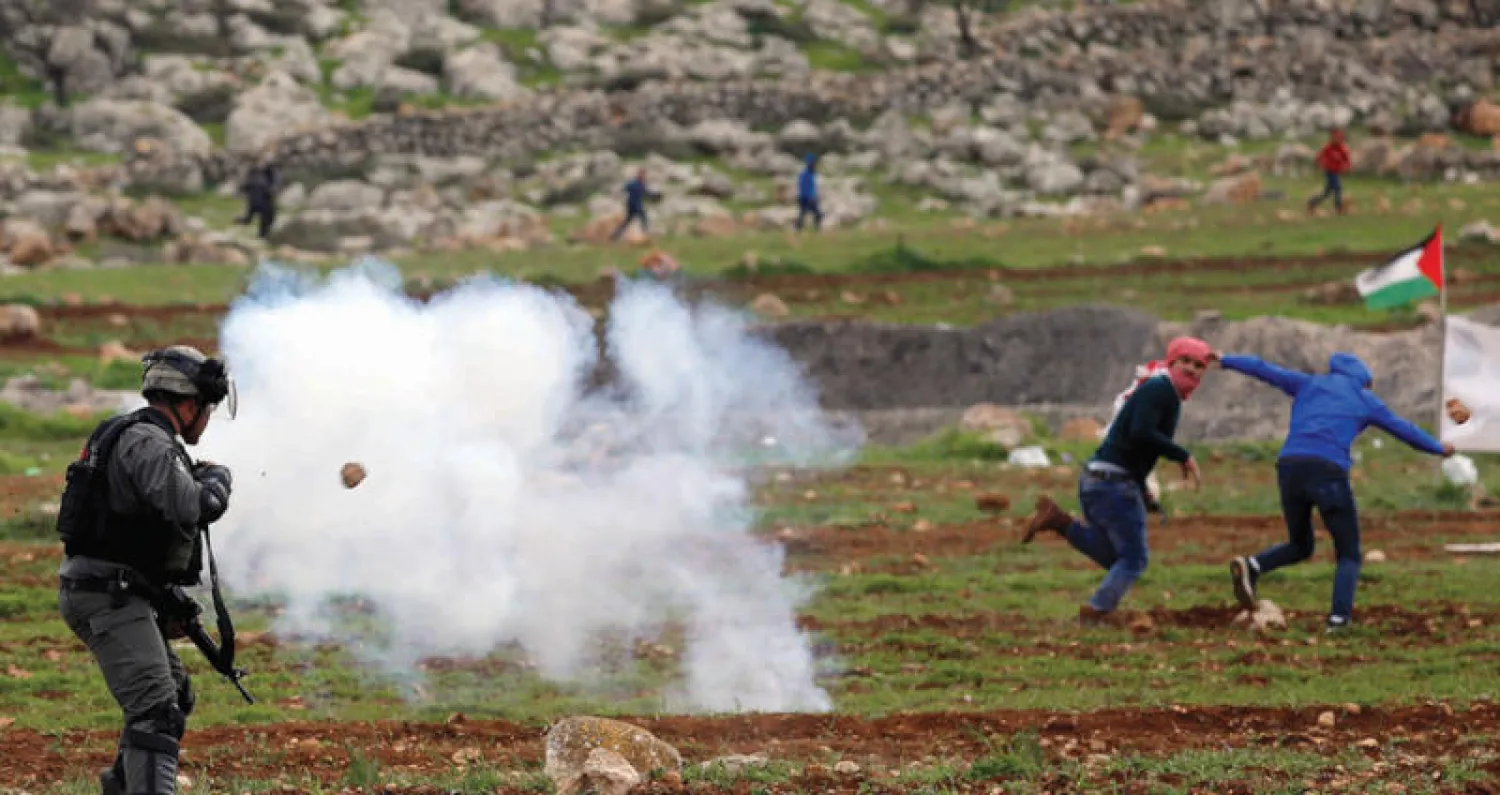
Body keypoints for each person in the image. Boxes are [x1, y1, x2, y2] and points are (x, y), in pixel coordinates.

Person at [55, 346, 236, 795]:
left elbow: (134, 531)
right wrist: (218, 483)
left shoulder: (136, 436)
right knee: (156, 710)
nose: (207, 418)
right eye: (207, 407)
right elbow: (192, 506)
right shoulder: (149, 443)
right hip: (106, 594)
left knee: (172, 695)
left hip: (112, 589)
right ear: (188, 405)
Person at [1216, 351, 1455, 633]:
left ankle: (1253, 565)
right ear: (1364, 381)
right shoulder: (1365, 399)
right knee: (1349, 552)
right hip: (1328, 471)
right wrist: (1438, 448)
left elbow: (1263, 369)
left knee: (1300, 544)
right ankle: (1338, 621)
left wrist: (1225, 359)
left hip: (1290, 466)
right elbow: (1405, 430)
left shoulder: (1308, 383)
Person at [1022, 337, 1216, 625]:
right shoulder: (1161, 390)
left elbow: (1134, 445)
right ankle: (1097, 610)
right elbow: (1141, 432)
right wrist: (1182, 455)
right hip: (1114, 483)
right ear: (1171, 362)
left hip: (1098, 480)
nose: (1191, 369)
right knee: (1134, 560)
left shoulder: (1160, 390)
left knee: (1119, 560)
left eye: (1198, 365)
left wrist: (1143, 490)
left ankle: (1059, 521)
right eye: (1185, 361)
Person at [1308, 129, 1351, 215]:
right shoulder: (1327, 147)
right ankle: (1339, 207)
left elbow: (1347, 160)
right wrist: (1319, 164)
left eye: (1339, 138)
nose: (1337, 139)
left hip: (1336, 171)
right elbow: (1319, 157)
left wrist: (1347, 167)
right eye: (1335, 137)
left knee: (1327, 192)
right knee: (1338, 188)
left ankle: (1313, 202)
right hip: (1329, 171)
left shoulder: (1343, 148)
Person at [235, 161, 280, 239]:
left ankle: (260, 233)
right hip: (263, 202)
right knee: (266, 220)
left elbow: (245, 187)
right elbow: (273, 189)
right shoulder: (265, 175)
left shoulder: (255, 174)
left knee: (249, 219)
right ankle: (262, 234)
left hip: (256, 202)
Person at [611, 169, 656, 241]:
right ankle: (646, 234)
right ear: (640, 175)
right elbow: (624, 189)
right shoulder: (635, 183)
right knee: (643, 219)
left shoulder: (639, 184)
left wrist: (653, 196)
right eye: (643, 175)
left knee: (627, 221)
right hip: (635, 205)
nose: (644, 177)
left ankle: (615, 235)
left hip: (632, 205)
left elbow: (646, 193)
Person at [795, 154, 823, 232]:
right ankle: (817, 228)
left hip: (804, 197)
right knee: (817, 214)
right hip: (808, 197)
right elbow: (808, 187)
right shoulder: (809, 174)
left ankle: (798, 229)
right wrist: (813, 197)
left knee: (803, 214)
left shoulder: (805, 174)